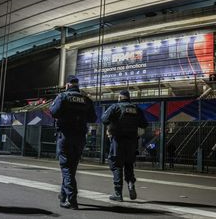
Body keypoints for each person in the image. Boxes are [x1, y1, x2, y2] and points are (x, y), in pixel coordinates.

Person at [49, 75, 97, 209]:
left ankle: (72, 198)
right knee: (71, 168)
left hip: (65, 136)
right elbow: (93, 118)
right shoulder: (86, 99)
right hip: (80, 138)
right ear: (77, 85)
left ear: (67, 85)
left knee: (66, 168)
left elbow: (53, 112)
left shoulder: (63, 97)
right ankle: (63, 195)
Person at [101, 90, 147, 202]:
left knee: (117, 166)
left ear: (120, 97)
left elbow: (103, 119)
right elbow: (144, 124)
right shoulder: (136, 109)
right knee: (129, 165)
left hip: (118, 141)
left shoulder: (115, 107)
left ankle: (118, 193)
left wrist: (114, 122)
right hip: (131, 142)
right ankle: (131, 185)